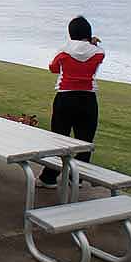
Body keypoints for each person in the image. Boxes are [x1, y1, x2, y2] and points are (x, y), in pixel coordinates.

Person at [36, 16, 105, 188]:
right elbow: (95, 54)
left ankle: (49, 177)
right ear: (88, 33)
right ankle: (76, 178)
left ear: (70, 33)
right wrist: (92, 43)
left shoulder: (63, 50)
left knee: (58, 140)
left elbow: (53, 68)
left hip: (65, 97)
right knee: (84, 141)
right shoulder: (99, 52)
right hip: (88, 99)